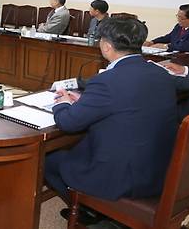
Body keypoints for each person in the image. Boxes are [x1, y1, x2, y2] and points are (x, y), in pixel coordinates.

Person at [45, 18, 177, 226]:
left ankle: (87, 210)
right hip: (158, 168)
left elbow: (69, 123)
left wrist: (62, 103)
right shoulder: (161, 73)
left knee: (49, 158)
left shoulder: (106, 80)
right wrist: (86, 101)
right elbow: (130, 103)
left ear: (106, 46)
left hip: (120, 177)